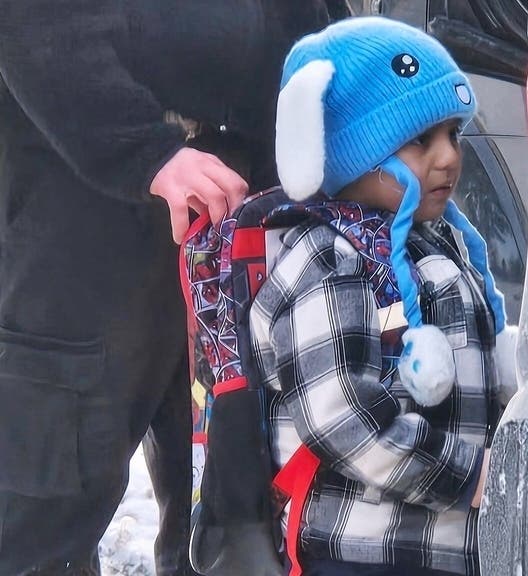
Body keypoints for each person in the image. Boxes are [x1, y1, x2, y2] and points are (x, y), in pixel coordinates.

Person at [0, 2, 335, 574]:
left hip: (244, 224)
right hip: (83, 232)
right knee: (45, 522)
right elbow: (32, 23)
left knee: (228, 520)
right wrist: (145, 150)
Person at [249, 17, 519, 576]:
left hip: (444, 547)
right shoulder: (328, 258)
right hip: (361, 551)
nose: (447, 157)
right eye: (421, 139)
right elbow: (339, 416)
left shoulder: (438, 241)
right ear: (356, 151)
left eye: (453, 135)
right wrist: (467, 476)